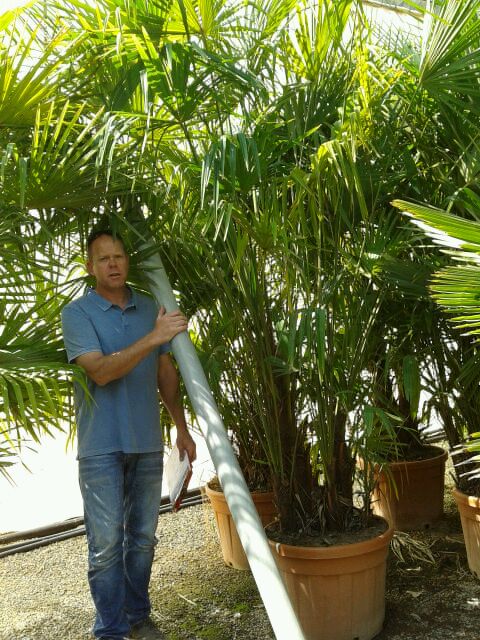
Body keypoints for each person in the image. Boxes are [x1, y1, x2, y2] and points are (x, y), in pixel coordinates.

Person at [61, 229, 196, 640]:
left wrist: (182, 427)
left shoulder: (148, 307)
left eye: (118, 256)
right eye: (103, 259)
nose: (113, 264)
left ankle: (138, 618)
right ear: (90, 267)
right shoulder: (77, 314)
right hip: (100, 447)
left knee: (142, 540)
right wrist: (154, 337)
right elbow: (100, 370)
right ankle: (111, 630)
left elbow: (165, 372)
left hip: (147, 443)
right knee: (105, 548)